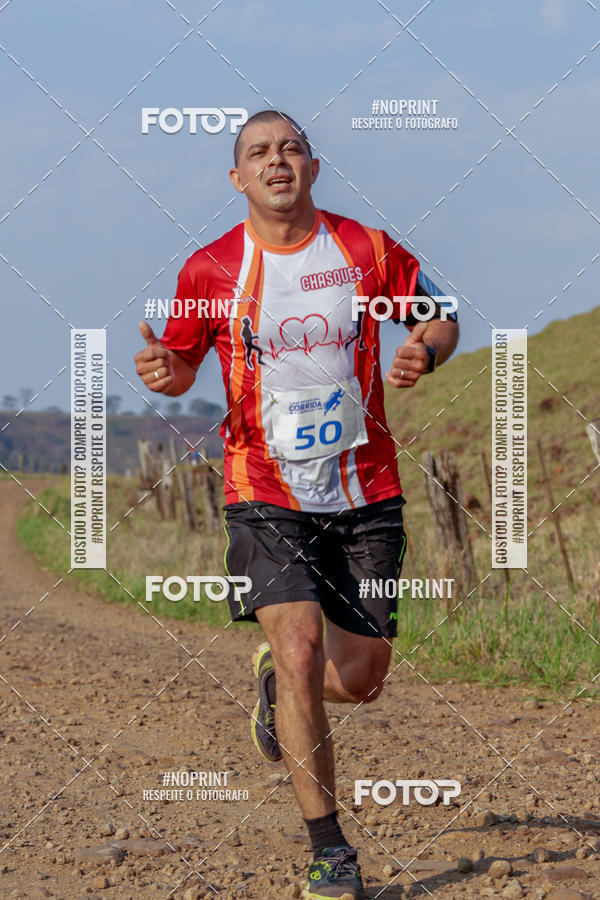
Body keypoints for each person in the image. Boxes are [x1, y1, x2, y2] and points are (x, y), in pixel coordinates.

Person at [134, 110, 458, 900]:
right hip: (263, 489)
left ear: (313, 166)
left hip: (366, 490)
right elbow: (180, 368)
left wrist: (424, 348)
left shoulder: (368, 250)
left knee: (363, 675)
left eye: (290, 148)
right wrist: (162, 373)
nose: (276, 161)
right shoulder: (210, 269)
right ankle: (330, 854)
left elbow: (441, 315)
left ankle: (277, 691)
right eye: (257, 153)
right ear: (238, 179)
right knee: (302, 650)